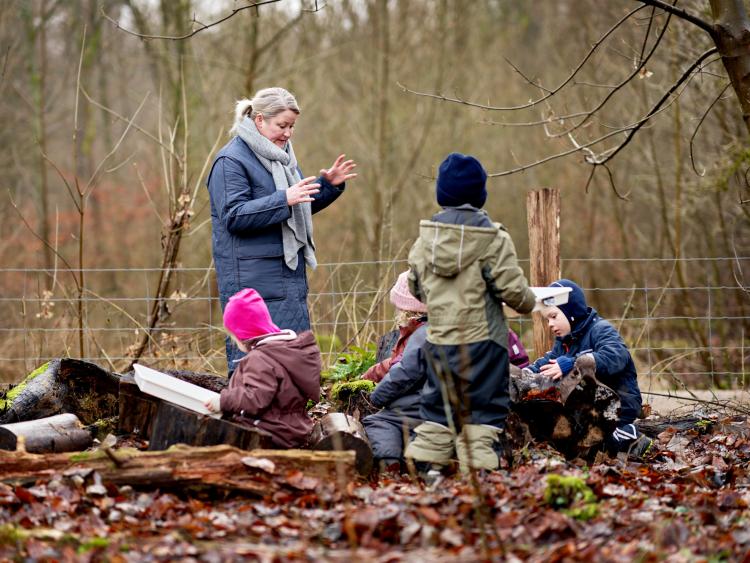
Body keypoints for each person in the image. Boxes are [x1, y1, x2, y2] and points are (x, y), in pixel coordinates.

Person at [206, 87, 357, 375]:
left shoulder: (282, 160)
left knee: (292, 366)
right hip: (253, 284)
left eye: (292, 127)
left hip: (287, 277)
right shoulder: (231, 161)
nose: (288, 134)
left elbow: (295, 208)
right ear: (259, 120)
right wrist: (283, 198)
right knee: (257, 372)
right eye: (282, 126)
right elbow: (234, 216)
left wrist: (329, 187)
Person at [403, 152, 537, 474]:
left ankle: (425, 465)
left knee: (438, 406)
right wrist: (532, 302)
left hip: (439, 340)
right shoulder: (493, 238)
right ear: (480, 195)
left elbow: (416, 288)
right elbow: (513, 292)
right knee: (483, 408)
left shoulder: (425, 242)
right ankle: (478, 474)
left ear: (442, 195)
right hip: (485, 343)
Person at [527, 279, 654, 458]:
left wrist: (574, 363)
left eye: (554, 316)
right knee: (568, 442)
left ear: (571, 312)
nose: (550, 324)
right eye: (547, 318)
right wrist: (526, 374)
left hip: (620, 403)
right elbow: (547, 362)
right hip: (591, 407)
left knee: (598, 443)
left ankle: (630, 437)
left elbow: (617, 356)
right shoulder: (565, 341)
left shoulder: (600, 330)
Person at [204, 288, 321, 448]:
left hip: (271, 434)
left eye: (234, 336)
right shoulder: (284, 350)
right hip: (291, 428)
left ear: (243, 335)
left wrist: (224, 401)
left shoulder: (260, 359)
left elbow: (256, 398)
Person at [362, 271, 428, 383]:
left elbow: (401, 367)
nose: (396, 310)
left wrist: (376, 393)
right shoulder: (415, 328)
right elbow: (397, 361)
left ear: (407, 309)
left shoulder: (421, 334)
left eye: (398, 306)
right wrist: (372, 373)